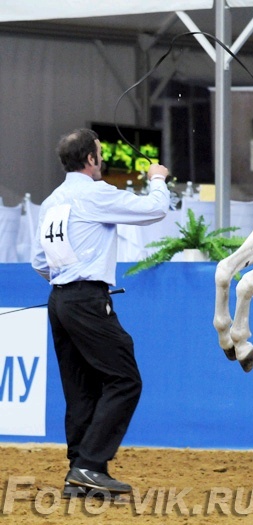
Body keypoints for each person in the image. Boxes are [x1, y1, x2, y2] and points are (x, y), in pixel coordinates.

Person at [31, 128, 170, 497]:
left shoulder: (51, 202)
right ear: (90, 159)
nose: (102, 160)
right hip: (87, 301)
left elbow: (39, 262)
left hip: (59, 301)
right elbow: (155, 210)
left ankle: (79, 472)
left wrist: (68, 281)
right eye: (99, 153)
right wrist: (157, 180)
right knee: (125, 379)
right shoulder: (94, 193)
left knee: (81, 390)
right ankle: (90, 466)